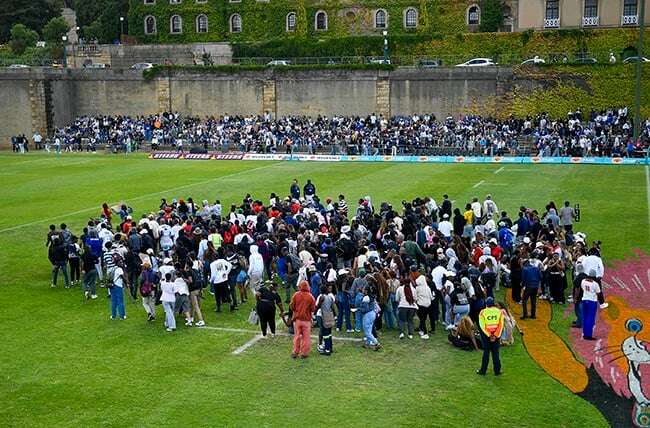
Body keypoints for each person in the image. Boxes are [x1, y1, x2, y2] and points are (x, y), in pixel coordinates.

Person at [477, 297, 504, 376]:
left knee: (486, 353)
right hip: (496, 336)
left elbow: (482, 326)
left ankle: (483, 371)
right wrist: (495, 335)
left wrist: (489, 335)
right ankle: (497, 371)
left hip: (486, 336)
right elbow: (501, 325)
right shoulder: (499, 312)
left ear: (486, 304)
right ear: (493, 304)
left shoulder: (482, 312)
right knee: (496, 353)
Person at [290, 280, 316, 359]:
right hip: (306, 320)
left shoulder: (296, 295)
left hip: (297, 320)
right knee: (306, 337)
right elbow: (312, 309)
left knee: (297, 336)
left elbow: (291, 306)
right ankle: (304, 353)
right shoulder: (311, 297)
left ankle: (295, 352)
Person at [315, 284, 336, 355]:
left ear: (321, 290)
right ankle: (330, 348)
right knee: (329, 333)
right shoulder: (330, 297)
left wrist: (314, 313)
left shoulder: (321, 297)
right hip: (330, 315)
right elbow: (333, 307)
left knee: (325, 333)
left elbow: (318, 306)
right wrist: (335, 316)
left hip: (323, 316)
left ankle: (327, 350)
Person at [580, 270, 601, 340]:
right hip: (592, 302)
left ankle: (584, 333)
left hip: (584, 300)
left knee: (585, 317)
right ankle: (588, 335)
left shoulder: (583, 281)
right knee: (590, 319)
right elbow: (598, 293)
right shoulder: (595, 284)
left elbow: (583, 289)